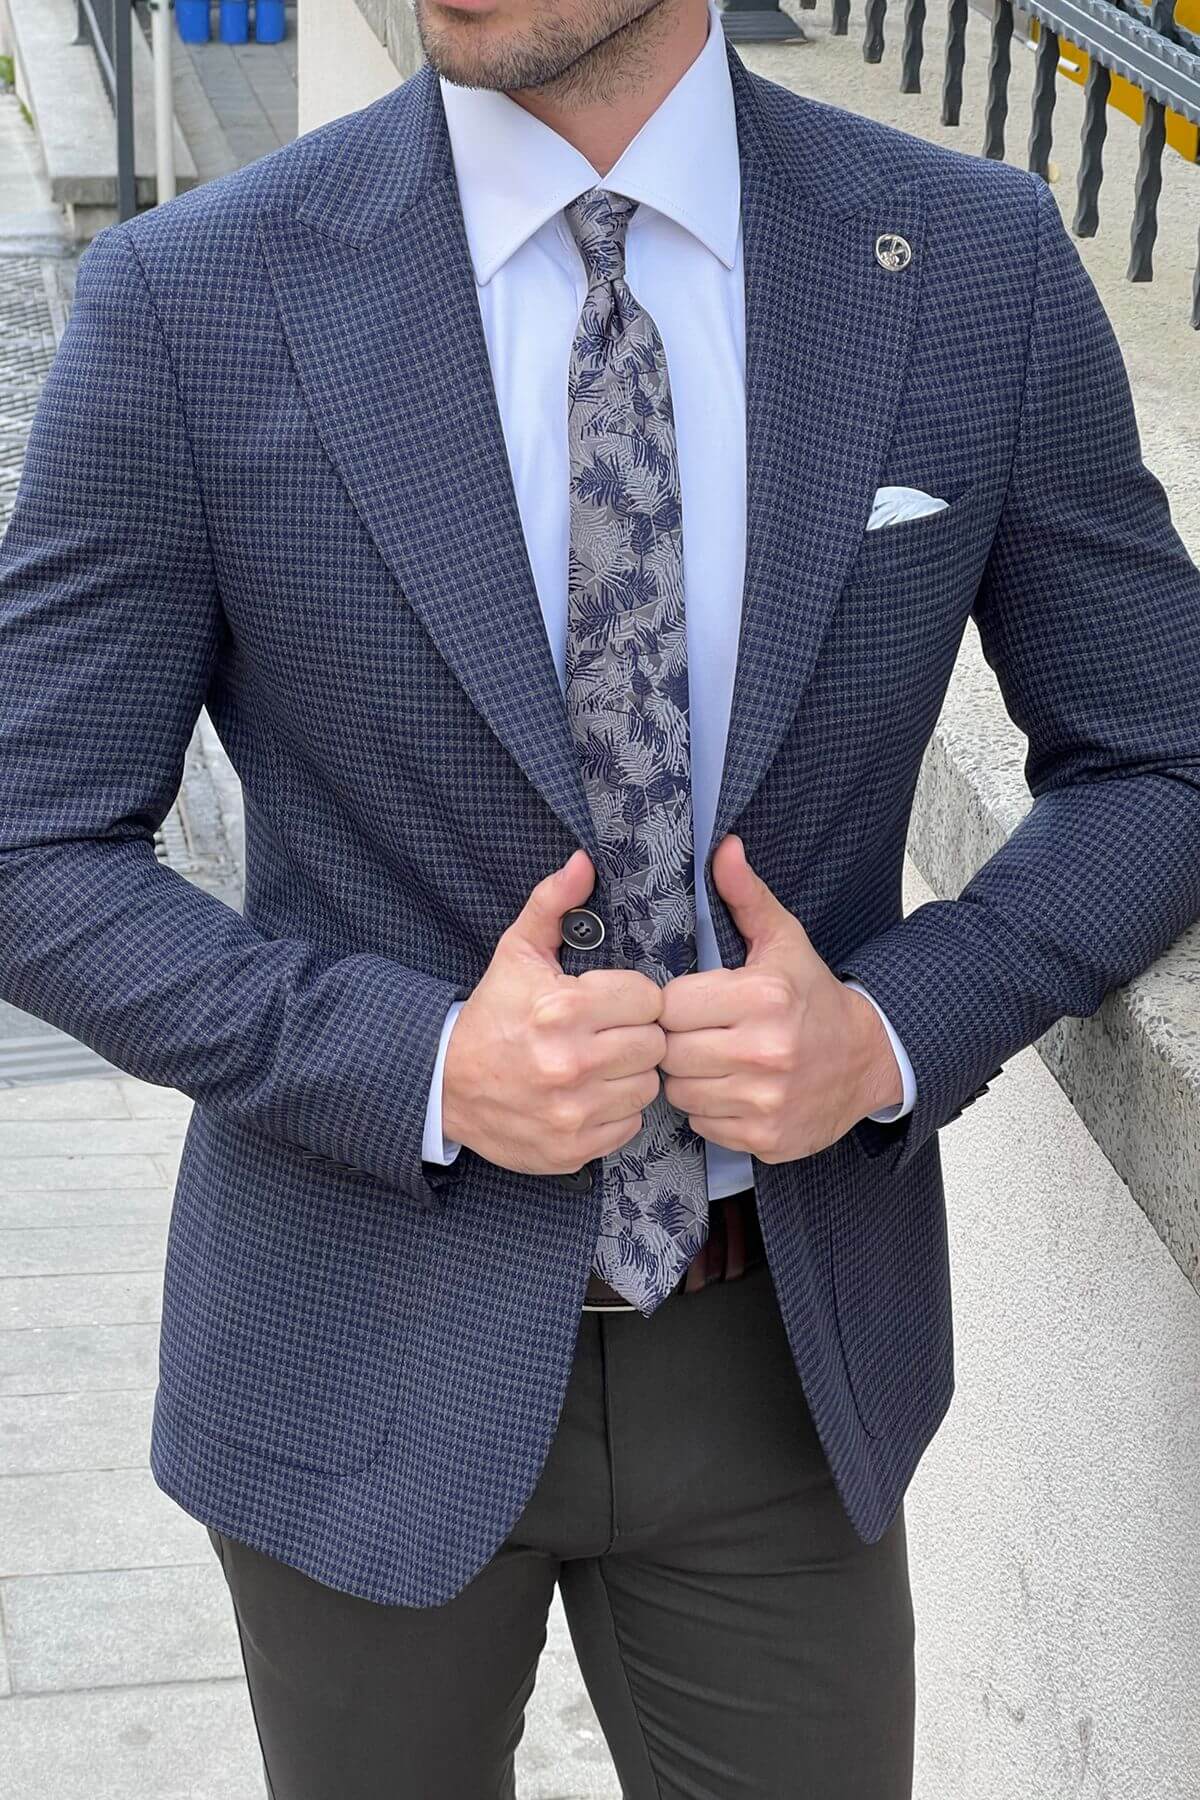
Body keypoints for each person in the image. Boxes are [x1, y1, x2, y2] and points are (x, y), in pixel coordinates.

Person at [2, 0, 1198, 1792]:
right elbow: (31, 835)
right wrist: (413, 1063)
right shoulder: (196, 301)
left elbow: (1162, 755)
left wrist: (884, 1032)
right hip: (351, 1339)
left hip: (786, 1356)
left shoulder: (966, 262)